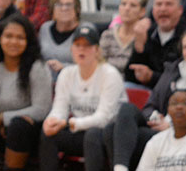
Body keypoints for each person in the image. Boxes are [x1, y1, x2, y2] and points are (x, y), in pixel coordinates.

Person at [90, 26, 186, 171]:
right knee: (123, 115)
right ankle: (120, 168)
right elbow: (150, 106)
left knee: (113, 132)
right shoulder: (173, 70)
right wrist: (156, 118)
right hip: (160, 129)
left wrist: (173, 124)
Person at [0, 14, 53, 171]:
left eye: (20, 37)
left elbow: (41, 109)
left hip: (30, 132)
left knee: (18, 126)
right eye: (8, 36)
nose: (14, 42)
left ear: (28, 41)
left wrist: (3, 118)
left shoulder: (38, 67)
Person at [39, 25, 126, 171]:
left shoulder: (110, 75)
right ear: (71, 49)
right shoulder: (66, 74)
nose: (81, 49)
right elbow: (59, 108)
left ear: (97, 50)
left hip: (109, 135)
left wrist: (71, 123)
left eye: (87, 45)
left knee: (92, 134)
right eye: (77, 45)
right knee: (48, 133)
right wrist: (53, 120)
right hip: (79, 129)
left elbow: (104, 118)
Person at [125, 0, 186, 89]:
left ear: (180, 10)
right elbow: (129, 76)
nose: (163, 9)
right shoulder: (146, 32)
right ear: (153, 10)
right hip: (148, 91)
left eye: (168, 4)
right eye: (159, 4)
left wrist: (152, 77)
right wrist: (139, 46)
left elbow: (185, 77)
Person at [101, 0, 149, 73]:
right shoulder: (107, 34)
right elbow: (99, 63)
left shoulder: (145, 36)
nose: (127, 9)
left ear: (142, 11)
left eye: (133, 5)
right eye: (123, 4)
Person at [39, 0, 82, 77]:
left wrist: (64, 67)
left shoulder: (84, 30)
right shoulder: (45, 28)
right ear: (52, 9)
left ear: (77, 9)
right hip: (45, 81)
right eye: (59, 5)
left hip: (73, 82)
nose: (64, 8)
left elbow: (91, 65)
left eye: (69, 5)